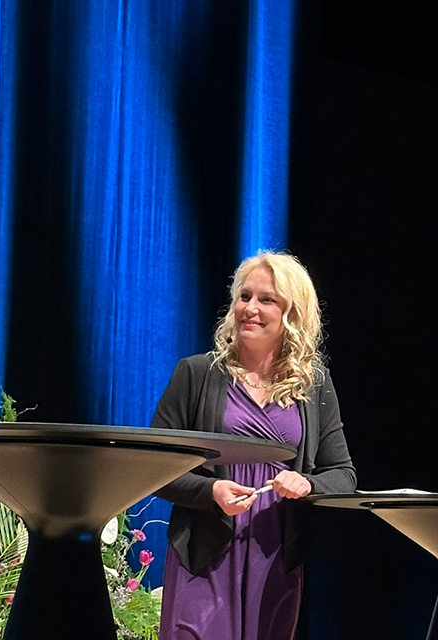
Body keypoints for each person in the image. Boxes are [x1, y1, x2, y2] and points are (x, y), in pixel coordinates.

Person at [152, 251, 357, 640]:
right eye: (244, 297)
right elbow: (154, 467)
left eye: (267, 300)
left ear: (292, 314)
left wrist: (308, 483)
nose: (250, 308)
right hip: (206, 554)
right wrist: (211, 490)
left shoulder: (314, 386)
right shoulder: (196, 374)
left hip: (274, 556)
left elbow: (343, 474)